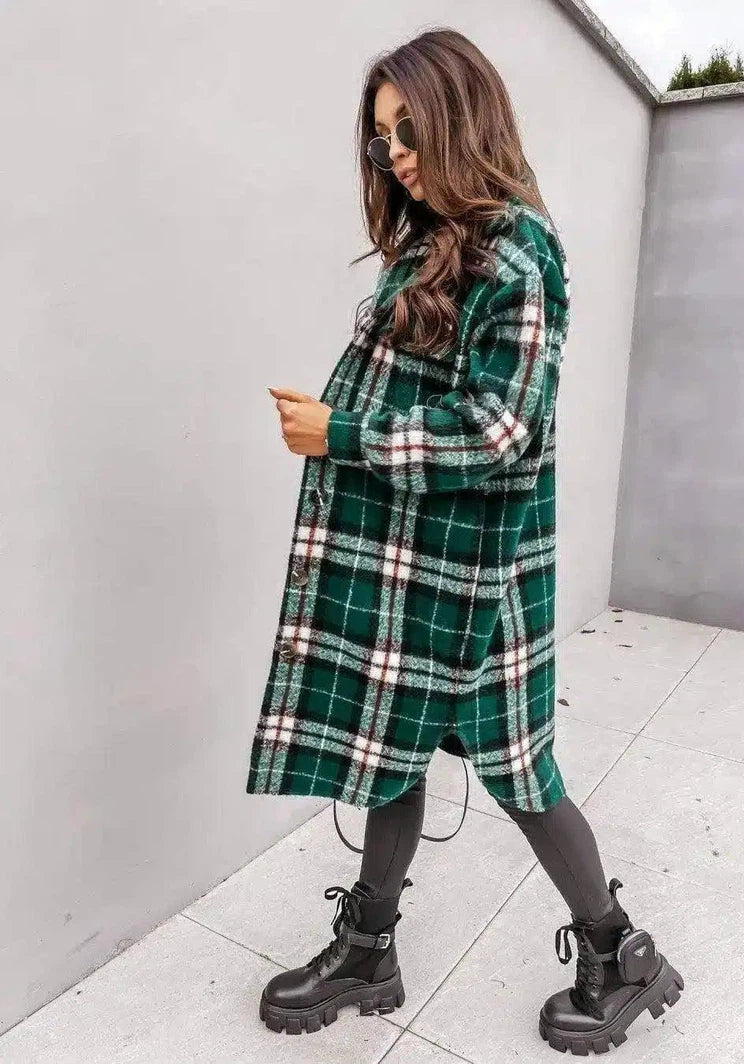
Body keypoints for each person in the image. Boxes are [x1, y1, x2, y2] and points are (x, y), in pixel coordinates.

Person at [250, 27, 683, 1054]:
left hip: (478, 580)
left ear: (461, 114)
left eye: (408, 128)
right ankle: (369, 949)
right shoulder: (428, 243)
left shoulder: (517, 250)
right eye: (380, 138)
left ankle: (623, 954)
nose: (393, 153)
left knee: (520, 773)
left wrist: (343, 433)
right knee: (394, 752)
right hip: (414, 569)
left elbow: (500, 428)